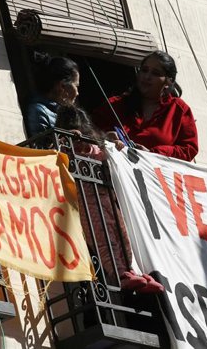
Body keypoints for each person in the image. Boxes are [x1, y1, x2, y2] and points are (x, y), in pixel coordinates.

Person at [55, 104, 163, 294]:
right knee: (104, 238)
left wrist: (117, 147)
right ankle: (121, 274)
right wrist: (65, 140)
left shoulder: (96, 147)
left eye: (82, 132)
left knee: (124, 236)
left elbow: (110, 157)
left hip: (110, 200)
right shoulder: (62, 148)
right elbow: (53, 156)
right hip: (87, 204)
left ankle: (133, 270)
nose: (79, 139)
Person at [93, 50, 198, 161]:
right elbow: (89, 128)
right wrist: (105, 136)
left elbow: (189, 149)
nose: (147, 76)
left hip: (154, 176)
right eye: (144, 70)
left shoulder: (179, 110)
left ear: (168, 82)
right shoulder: (115, 104)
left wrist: (154, 153)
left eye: (155, 73)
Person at [24, 54, 80, 136]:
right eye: (76, 86)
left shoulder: (62, 111)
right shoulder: (38, 111)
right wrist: (66, 137)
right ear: (62, 86)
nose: (77, 93)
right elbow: (38, 147)